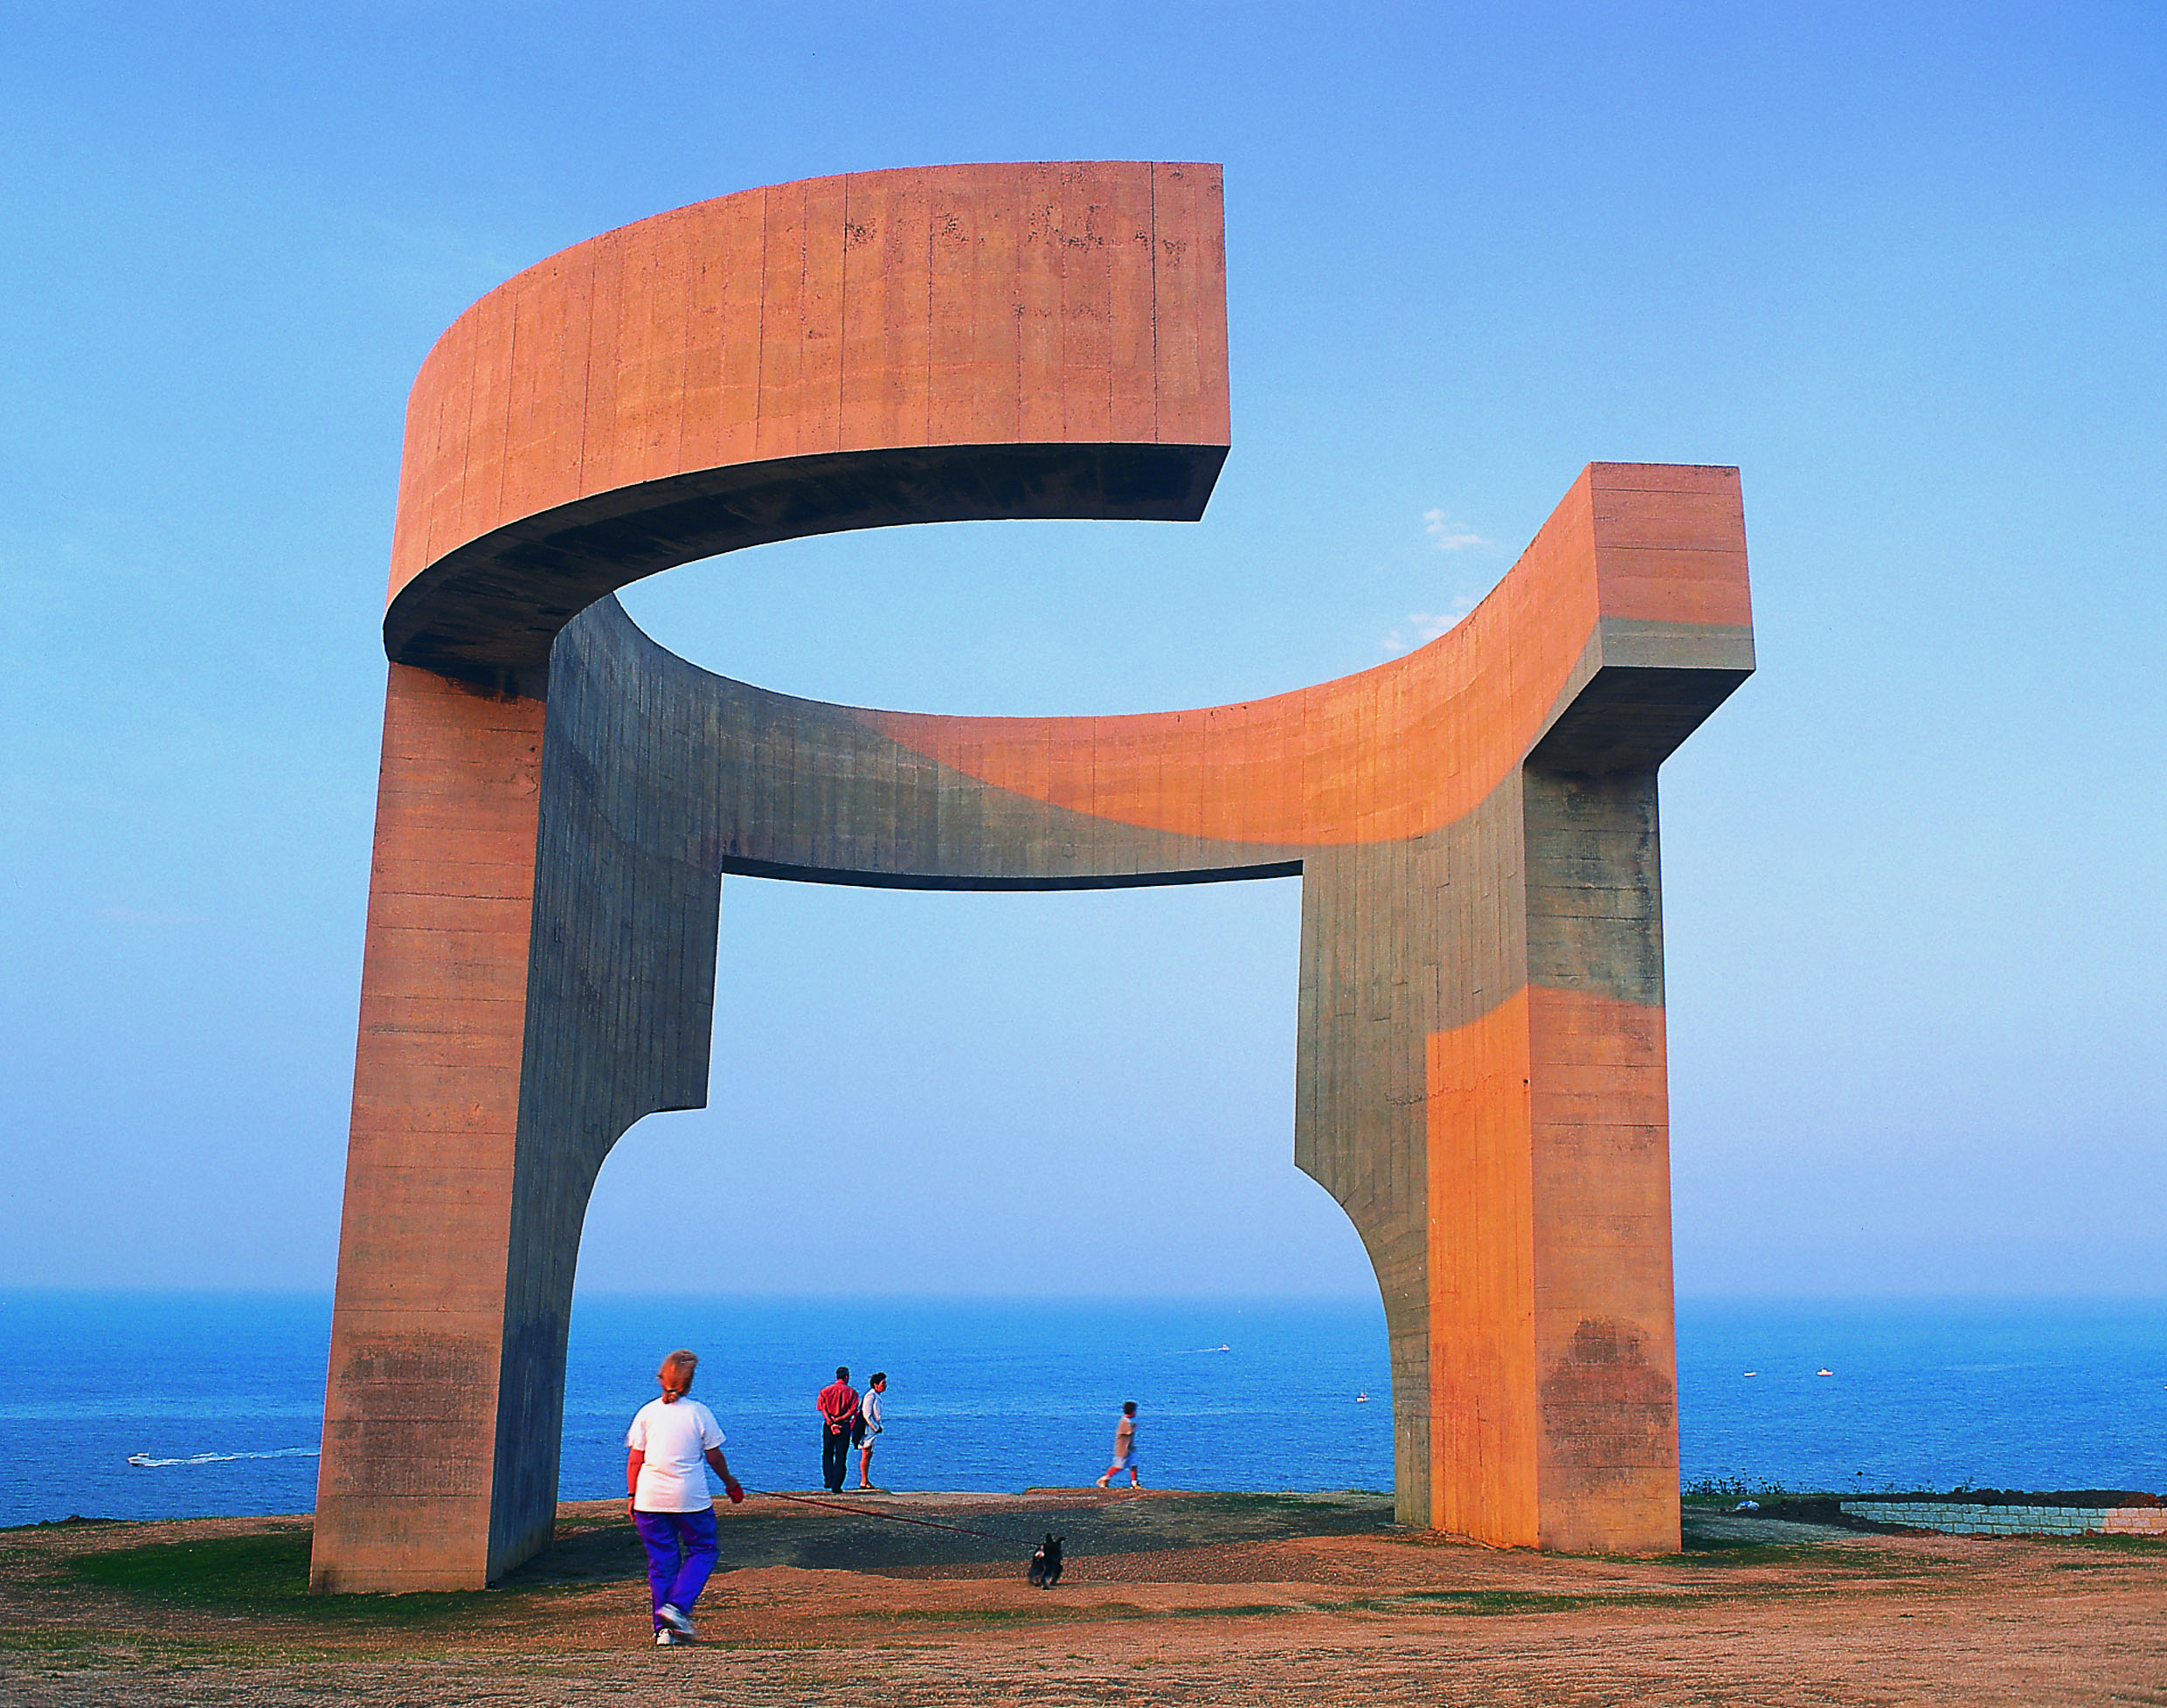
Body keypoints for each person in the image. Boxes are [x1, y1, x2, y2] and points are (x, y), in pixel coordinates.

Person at [626, 1349, 741, 1646]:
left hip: (649, 1500)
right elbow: (714, 1457)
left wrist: (632, 1495)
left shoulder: (647, 1413)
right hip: (690, 1499)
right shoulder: (699, 1413)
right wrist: (730, 1484)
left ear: (662, 1378)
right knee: (704, 1550)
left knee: (662, 1563)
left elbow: (635, 1460)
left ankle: (663, 1630)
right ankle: (677, 1608)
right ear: (689, 1383)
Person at [815, 1366, 861, 1494]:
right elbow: (852, 1411)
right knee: (841, 1456)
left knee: (827, 1452)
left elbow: (822, 1407)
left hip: (829, 1425)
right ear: (846, 1377)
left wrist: (831, 1421)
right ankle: (837, 1485)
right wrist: (840, 1418)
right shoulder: (852, 1393)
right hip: (844, 1425)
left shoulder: (825, 1391)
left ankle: (828, 1478)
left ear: (837, 1376)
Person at [854, 1371, 888, 1490]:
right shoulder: (870, 1396)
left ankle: (865, 1479)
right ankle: (863, 1480)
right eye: (883, 1383)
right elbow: (867, 1414)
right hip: (867, 1430)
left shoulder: (876, 1396)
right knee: (866, 1453)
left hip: (872, 1430)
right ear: (875, 1384)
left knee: (869, 1454)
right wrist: (875, 1427)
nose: (885, 1385)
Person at [1096, 1400, 1140, 1489]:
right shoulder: (1124, 1421)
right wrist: (1134, 1427)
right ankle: (1104, 1478)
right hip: (1123, 1449)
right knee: (1118, 1466)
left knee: (1133, 1465)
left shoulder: (1128, 1421)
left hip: (1130, 1448)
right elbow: (1129, 1432)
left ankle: (1134, 1483)